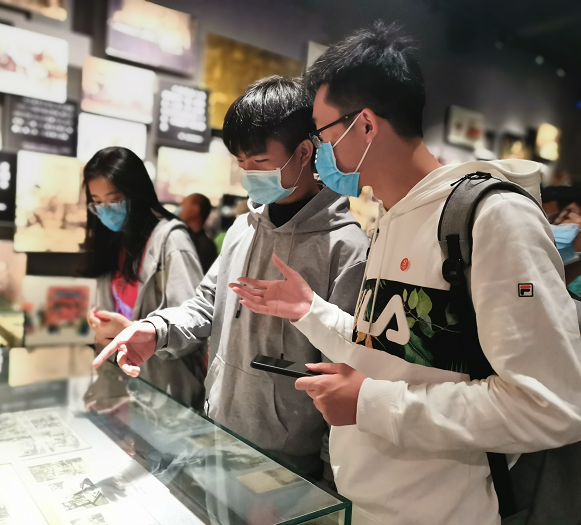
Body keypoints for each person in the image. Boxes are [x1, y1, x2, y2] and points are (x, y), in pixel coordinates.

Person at [230, 23, 581, 525]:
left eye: (322, 134)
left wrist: (369, 402)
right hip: (367, 503)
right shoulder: (393, 217)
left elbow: (549, 405)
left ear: (365, 126)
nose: (319, 152)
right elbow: (396, 347)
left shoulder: (491, 217)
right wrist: (310, 311)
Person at [94, 76, 369, 476]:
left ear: (303, 152)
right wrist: (155, 330)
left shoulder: (346, 248)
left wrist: (328, 479)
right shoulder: (242, 229)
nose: (248, 174)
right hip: (217, 432)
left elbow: (342, 376)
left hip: (290, 462)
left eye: (259, 162)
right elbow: (205, 304)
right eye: (241, 163)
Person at [79, 147, 206, 409]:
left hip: (165, 396)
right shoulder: (114, 241)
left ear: (135, 193)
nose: (105, 211)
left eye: (114, 200)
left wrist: (130, 331)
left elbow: (195, 326)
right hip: (123, 391)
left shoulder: (171, 240)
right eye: (97, 203)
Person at [177, 193, 217, 273]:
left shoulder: (205, 246)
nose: (179, 210)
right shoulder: (184, 238)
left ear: (195, 210)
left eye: (183, 205)